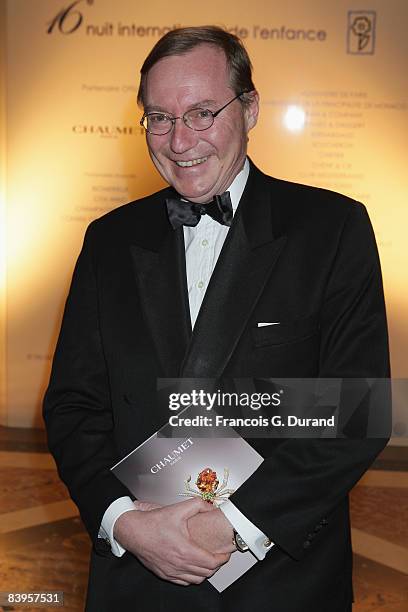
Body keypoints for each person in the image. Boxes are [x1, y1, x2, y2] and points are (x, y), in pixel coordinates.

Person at [43, 26, 390, 612]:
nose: (179, 141)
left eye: (202, 113)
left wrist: (232, 526)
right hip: (137, 580)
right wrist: (122, 521)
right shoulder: (109, 241)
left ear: (249, 108)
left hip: (278, 581)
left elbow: (357, 409)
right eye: (160, 117)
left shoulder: (331, 230)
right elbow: (73, 406)